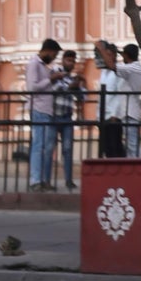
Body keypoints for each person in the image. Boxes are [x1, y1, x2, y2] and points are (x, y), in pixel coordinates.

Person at [25, 38, 61, 189]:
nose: (54, 58)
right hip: (38, 108)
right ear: (48, 51)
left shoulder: (44, 66)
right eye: (54, 55)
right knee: (38, 145)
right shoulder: (34, 64)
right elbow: (32, 87)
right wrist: (50, 79)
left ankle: (44, 179)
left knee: (47, 147)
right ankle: (35, 180)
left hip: (47, 109)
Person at [53, 50, 84, 190]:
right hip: (53, 116)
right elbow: (59, 89)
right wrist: (74, 86)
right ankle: (45, 180)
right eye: (68, 60)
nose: (71, 63)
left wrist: (78, 87)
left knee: (68, 149)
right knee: (49, 149)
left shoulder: (72, 78)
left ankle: (68, 180)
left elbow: (82, 97)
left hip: (67, 117)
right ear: (63, 60)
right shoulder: (55, 74)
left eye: (73, 61)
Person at [94, 39, 126, 157]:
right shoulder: (104, 72)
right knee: (106, 148)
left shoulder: (119, 71)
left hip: (113, 117)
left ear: (112, 55)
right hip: (103, 116)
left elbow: (120, 94)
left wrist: (115, 114)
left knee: (115, 148)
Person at [118, 43, 141, 154]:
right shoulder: (137, 68)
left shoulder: (132, 68)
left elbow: (112, 66)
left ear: (126, 55)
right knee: (131, 143)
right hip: (131, 111)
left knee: (132, 144)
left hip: (130, 112)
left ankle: (138, 168)